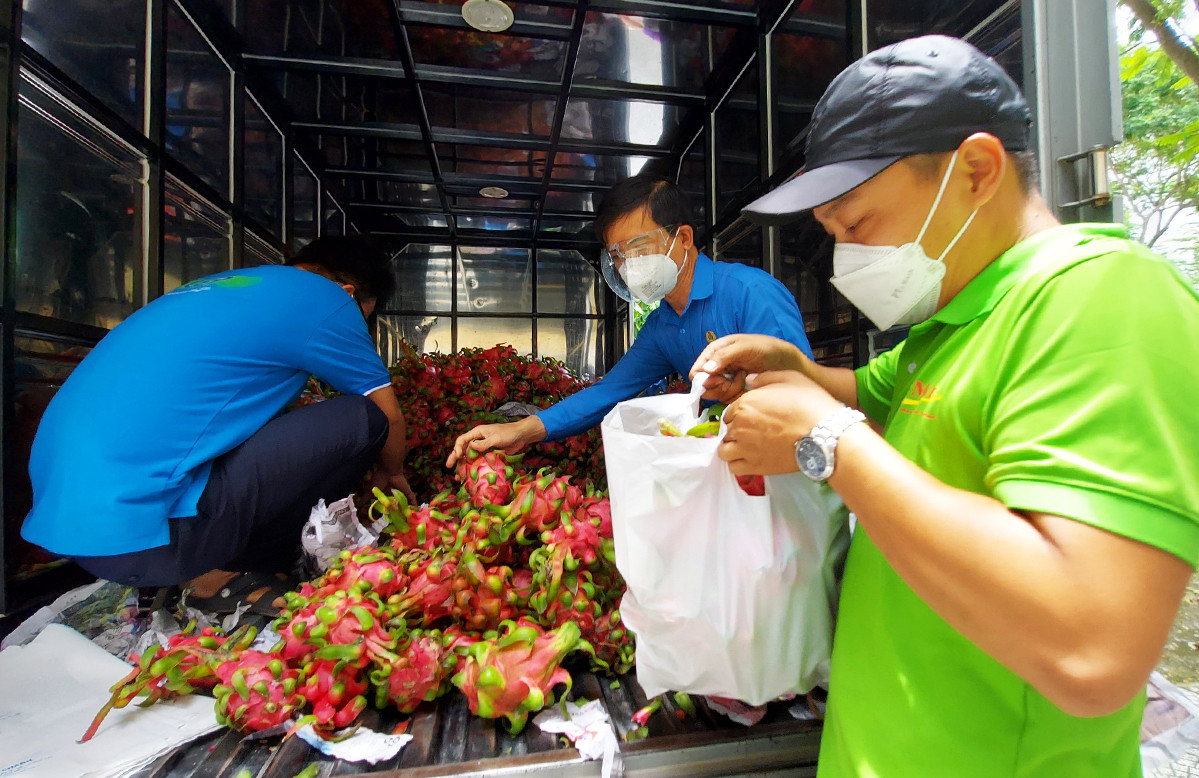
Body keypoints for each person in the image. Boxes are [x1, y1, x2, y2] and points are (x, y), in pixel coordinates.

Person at [690, 35, 1199, 777]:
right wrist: (795, 368)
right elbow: (875, 392)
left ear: (975, 170)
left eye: (857, 224)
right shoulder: (951, 320)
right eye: (831, 235)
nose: (844, 259)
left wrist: (825, 440)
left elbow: (1093, 649)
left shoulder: (1101, 299)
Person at [21, 235, 414, 614]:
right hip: (151, 542)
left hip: (81, 534)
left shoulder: (225, 286)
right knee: (361, 419)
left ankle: (206, 560)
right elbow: (386, 412)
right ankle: (228, 574)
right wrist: (390, 474)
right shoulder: (324, 297)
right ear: (347, 293)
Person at [447, 174, 814, 466]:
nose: (628, 266)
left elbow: (803, 393)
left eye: (638, 248)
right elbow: (608, 392)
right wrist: (522, 431)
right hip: (732, 465)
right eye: (618, 255)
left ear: (683, 238)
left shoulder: (750, 293)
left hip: (788, 465)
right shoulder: (662, 326)